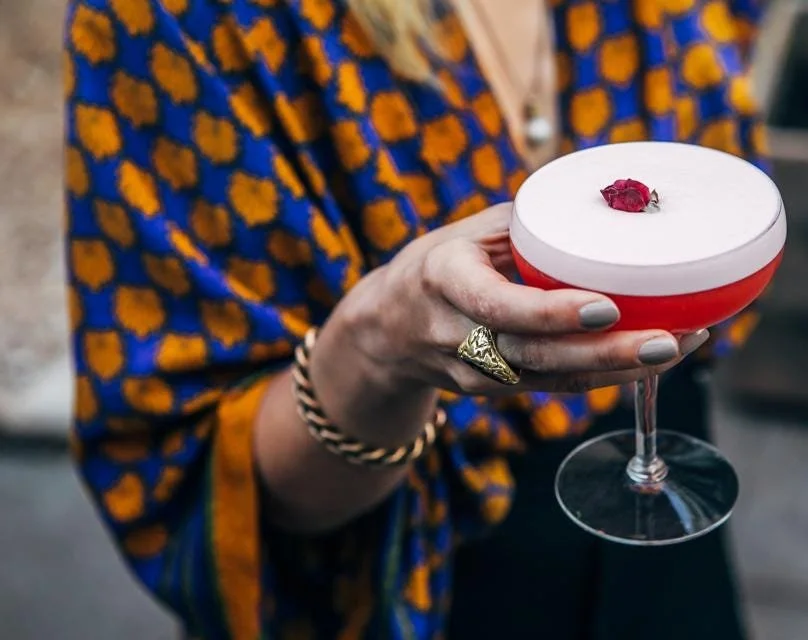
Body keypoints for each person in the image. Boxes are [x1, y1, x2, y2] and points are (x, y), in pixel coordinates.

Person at [64, 0, 768, 638]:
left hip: (675, 507)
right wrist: (381, 350)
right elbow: (215, 492)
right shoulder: (181, 19)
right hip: (437, 575)